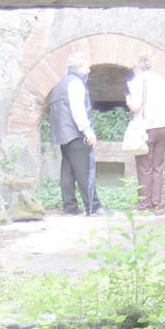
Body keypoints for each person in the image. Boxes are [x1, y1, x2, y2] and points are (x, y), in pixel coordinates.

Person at [48, 52, 110, 216]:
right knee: (85, 171)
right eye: (86, 67)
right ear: (80, 67)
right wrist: (88, 131)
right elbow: (78, 111)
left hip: (63, 135)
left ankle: (70, 207)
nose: (89, 70)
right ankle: (94, 206)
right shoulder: (76, 83)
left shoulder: (60, 84)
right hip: (76, 134)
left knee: (67, 172)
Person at [126, 55, 165, 215]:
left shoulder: (137, 82)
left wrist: (129, 102)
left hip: (145, 128)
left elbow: (136, 107)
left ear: (138, 68)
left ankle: (143, 205)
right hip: (162, 126)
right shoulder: (161, 80)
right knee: (158, 166)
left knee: (144, 167)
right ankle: (158, 204)